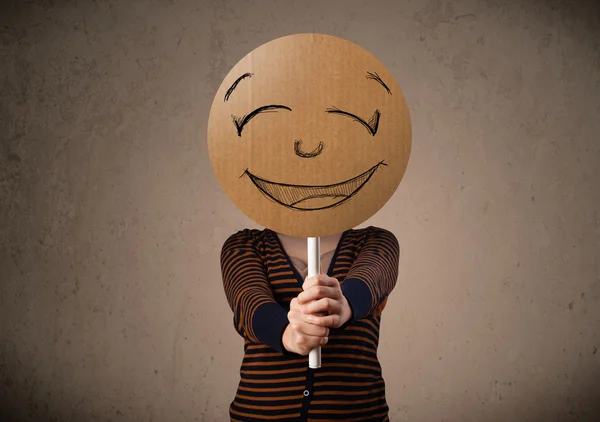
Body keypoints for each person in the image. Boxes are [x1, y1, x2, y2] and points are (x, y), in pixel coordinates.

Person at [220, 225, 399, 421]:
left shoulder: (376, 241)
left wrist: (342, 305)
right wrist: (289, 335)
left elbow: (372, 280)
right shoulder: (244, 245)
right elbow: (248, 303)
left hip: (358, 413)